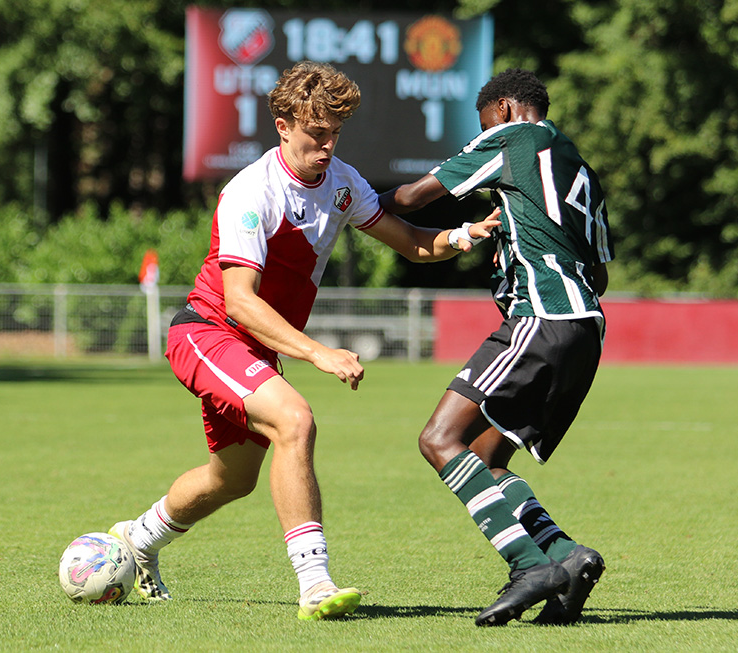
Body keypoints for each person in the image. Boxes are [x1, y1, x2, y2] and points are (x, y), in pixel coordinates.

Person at [108, 61, 500, 621]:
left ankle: (137, 540)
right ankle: (315, 584)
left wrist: (462, 235)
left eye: (336, 133)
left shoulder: (342, 181)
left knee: (232, 478)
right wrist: (319, 352)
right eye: (317, 133)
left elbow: (412, 244)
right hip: (206, 332)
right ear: (283, 124)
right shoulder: (249, 191)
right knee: (296, 419)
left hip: (255, 349)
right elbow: (240, 299)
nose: (327, 145)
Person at [379, 68, 615, 626]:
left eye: (485, 122)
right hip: (585, 329)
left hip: (542, 317)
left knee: (439, 439)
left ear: (505, 109)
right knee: (484, 457)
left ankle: (527, 565)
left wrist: (345, 200)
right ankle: (566, 556)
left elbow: (413, 197)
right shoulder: (579, 166)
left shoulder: (511, 138)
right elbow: (599, 274)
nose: (482, 133)